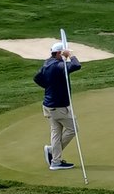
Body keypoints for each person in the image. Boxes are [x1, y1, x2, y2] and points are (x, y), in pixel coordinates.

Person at [34, 41, 81, 170]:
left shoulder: (47, 64)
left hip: (48, 106)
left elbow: (37, 78)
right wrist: (70, 56)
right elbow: (76, 65)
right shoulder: (58, 66)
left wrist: (49, 87)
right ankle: (53, 153)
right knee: (73, 129)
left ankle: (55, 161)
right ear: (59, 53)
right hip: (58, 106)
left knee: (56, 133)